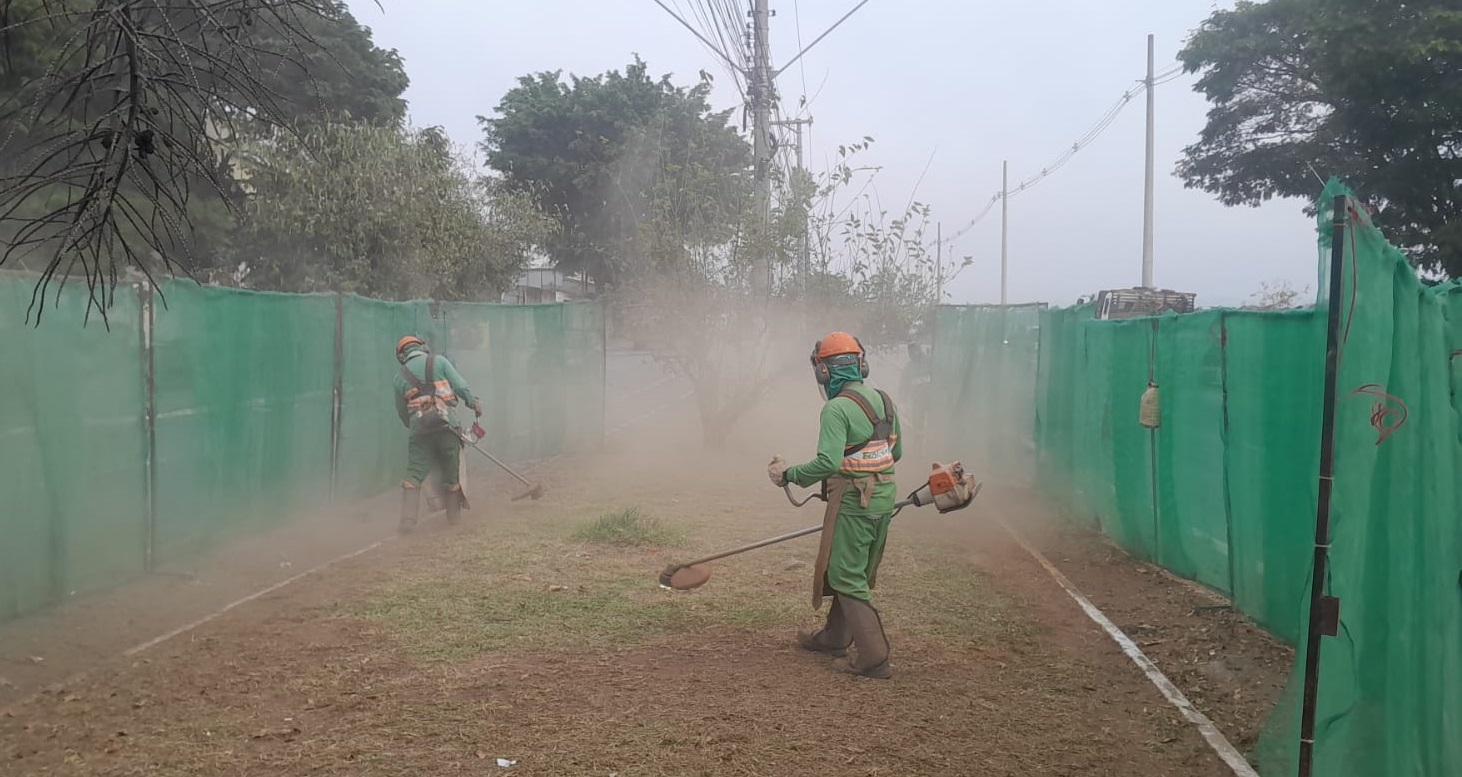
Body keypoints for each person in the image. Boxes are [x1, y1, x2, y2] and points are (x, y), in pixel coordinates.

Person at [767, 331, 902, 679]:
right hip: (883, 498)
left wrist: (789, 475)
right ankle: (835, 638)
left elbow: (827, 462)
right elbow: (896, 452)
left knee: (845, 573)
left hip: (855, 501)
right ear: (861, 364)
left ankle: (873, 656)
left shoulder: (836, 408)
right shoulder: (885, 402)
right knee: (852, 568)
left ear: (823, 371)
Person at [393, 335, 483, 533]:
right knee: (451, 471)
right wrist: (473, 402)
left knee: (415, 472)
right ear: (422, 347)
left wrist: (414, 424)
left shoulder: (399, 377)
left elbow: (402, 412)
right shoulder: (439, 362)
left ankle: (407, 520)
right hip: (447, 427)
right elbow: (460, 386)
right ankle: (453, 517)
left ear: (401, 356)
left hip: (419, 431)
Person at [899, 342, 931, 440]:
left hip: (931, 399)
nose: (913, 352)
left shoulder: (929, 362)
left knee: (932, 422)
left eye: (915, 349)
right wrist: (902, 401)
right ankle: (918, 443)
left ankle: (931, 440)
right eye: (910, 351)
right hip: (917, 401)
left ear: (919, 349)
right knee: (918, 424)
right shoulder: (908, 368)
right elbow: (903, 386)